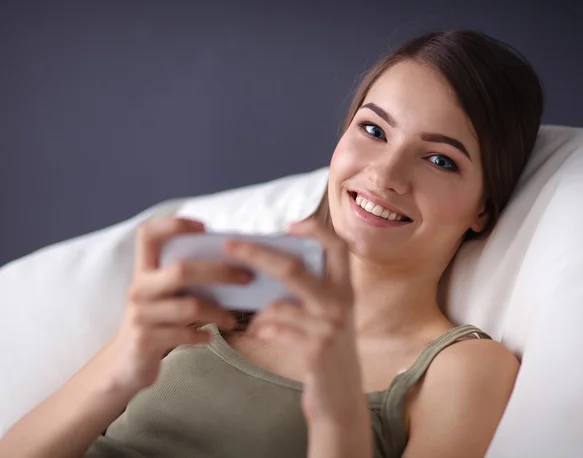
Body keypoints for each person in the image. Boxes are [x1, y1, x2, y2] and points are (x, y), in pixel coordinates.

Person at [0, 28, 543, 458]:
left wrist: (336, 401)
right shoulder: (224, 285)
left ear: (482, 207)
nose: (386, 175)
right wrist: (124, 363)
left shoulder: (462, 370)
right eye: (374, 130)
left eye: (440, 159)